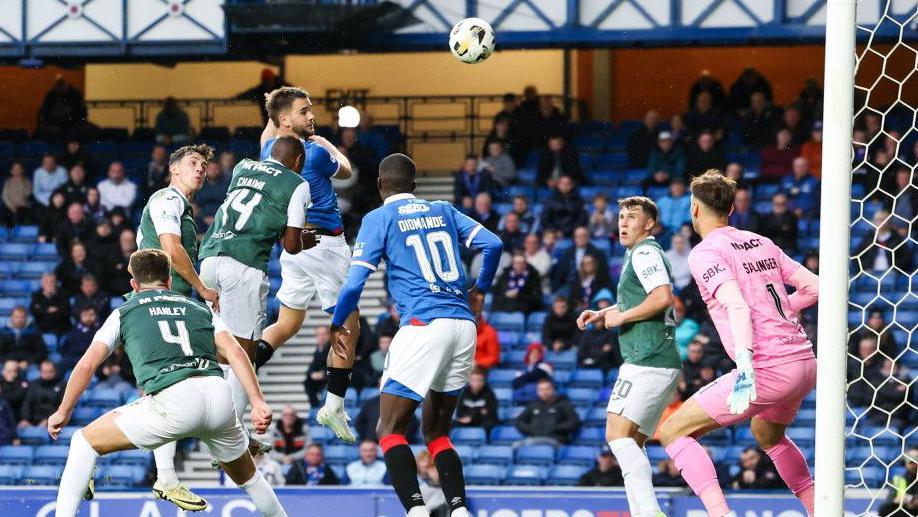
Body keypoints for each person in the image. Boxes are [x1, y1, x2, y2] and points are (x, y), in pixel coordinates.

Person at [327, 152, 502, 517]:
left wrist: (337, 322)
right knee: (437, 432)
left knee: (389, 428)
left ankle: (416, 510)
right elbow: (493, 244)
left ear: (379, 185)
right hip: (463, 326)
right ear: (415, 186)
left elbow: (354, 284)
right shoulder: (443, 210)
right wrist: (481, 289)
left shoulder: (379, 218)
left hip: (423, 325)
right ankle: (459, 510)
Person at [47, 249, 285, 516]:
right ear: (169, 280)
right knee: (250, 480)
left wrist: (63, 410)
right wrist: (257, 402)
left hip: (174, 399)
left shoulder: (124, 312)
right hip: (218, 395)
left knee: (83, 442)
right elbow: (236, 352)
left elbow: (87, 365)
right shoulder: (199, 309)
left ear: (134, 284)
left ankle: (164, 479)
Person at [658, 170, 820, 517]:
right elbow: (815, 287)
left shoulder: (705, 253)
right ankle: (819, 510)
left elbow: (737, 305)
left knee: (672, 430)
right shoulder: (760, 241)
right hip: (805, 363)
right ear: (731, 209)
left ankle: (721, 514)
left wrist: (745, 368)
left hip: (768, 369)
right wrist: (782, 308)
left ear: (694, 209)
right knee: (767, 433)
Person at [257, 87, 361, 444]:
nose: (312, 116)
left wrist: (273, 109)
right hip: (324, 244)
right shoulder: (313, 153)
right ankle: (334, 405)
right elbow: (346, 171)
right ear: (286, 120)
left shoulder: (268, 153)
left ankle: (242, 371)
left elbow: (267, 133)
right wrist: (329, 143)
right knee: (348, 322)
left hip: (293, 247)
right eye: (304, 111)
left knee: (287, 323)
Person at [198, 136, 313, 435]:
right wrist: (307, 240)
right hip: (244, 264)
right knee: (243, 355)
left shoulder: (242, 167)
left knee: (222, 350)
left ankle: (217, 423)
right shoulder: (297, 183)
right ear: (298, 161)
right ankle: (232, 437)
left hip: (210, 259)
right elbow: (291, 245)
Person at [576, 196, 682, 517]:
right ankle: (643, 511)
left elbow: (662, 297)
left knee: (616, 435)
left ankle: (649, 512)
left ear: (649, 223)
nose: (623, 222)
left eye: (631, 217)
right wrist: (603, 312)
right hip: (655, 359)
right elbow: (640, 298)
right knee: (631, 441)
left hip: (647, 358)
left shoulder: (645, 252)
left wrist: (620, 317)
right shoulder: (637, 253)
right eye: (621, 216)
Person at [137, 144, 218, 304]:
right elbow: (172, 250)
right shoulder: (168, 199)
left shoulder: (174, 203)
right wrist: (202, 289)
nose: (200, 169)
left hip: (163, 297)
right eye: (193, 163)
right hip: (161, 299)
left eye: (203, 166)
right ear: (174, 169)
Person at [514, 378, 580, 446]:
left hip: (556, 440)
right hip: (535, 438)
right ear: (537, 392)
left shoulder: (564, 404)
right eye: (541, 390)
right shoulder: (533, 405)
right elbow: (519, 421)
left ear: (553, 390)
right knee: (516, 446)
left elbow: (574, 422)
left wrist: (555, 427)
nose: (544, 392)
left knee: (528, 445)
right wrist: (532, 428)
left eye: (547, 389)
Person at [552, 225, 610, 292]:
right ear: (574, 238)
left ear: (588, 237)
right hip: (571, 284)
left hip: (592, 285)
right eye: (578, 236)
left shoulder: (597, 253)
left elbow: (603, 273)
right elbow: (563, 272)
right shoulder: (569, 252)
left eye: (583, 236)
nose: (580, 238)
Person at [19, 360, 63, 428]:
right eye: (45, 372)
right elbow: (27, 403)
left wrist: (48, 420)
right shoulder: (33, 384)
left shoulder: (62, 385)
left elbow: (61, 406)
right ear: (40, 372)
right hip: (33, 420)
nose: (48, 374)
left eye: (50, 371)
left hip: (54, 421)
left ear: (55, 371)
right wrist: (25, 419)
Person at [58, 306, 99, 373]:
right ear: (80, 316)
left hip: (91, 359)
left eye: (91, 315)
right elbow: (64, 348)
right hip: (73, 358)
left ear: (96, 315)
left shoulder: (100, 330)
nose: (88, 318)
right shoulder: (73, 330)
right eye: (85, 315)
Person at [878, 448, 917, 517]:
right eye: (912, 463)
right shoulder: (899, 480)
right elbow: (890, 500)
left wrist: (910, 499)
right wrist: (897, 500)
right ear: (905, 463)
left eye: (916, 462)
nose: (915, 465)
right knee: (884, 509)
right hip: (905, 510)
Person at [195, 161, 231, 226]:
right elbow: (194, 204)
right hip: (201, 218)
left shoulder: (227, 184)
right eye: (210, 169)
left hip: (222, 218)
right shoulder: (199, 184)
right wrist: (203, 217)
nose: (213, 171)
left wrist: (217, 218)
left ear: (219, 170)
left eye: (215, 169)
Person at [303, 325, 331, 407]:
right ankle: (314, 407)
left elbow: (334, 367)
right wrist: (312, 374)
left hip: (331, 378)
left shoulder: (333, 349)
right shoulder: (319, 350)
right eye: (319, 335)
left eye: (324, 334)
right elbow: (312, 366)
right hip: (322, 379)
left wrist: (323, 374)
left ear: (329, 335)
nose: (321, 337)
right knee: (308, 381)